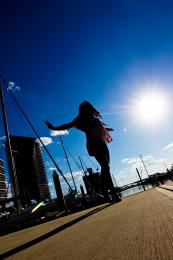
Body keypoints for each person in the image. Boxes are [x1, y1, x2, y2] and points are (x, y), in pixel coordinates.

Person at [45, 101, 121, 203]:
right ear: (83, 110)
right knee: (105, 167)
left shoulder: (93, 117)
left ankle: (105, 194)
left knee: (105, 168)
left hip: (102, 143)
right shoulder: (80, 120)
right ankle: (113, 194)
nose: (90, 109)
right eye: (88, 108)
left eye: (90, 107)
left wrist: (107, 129)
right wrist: (54, 128)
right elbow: (66, 125)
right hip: (94, 145)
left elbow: (98, 127)